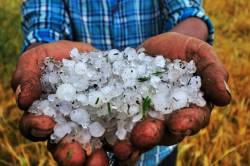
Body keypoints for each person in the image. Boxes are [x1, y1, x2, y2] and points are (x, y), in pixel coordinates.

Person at [12, 0, 231, 165]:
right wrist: (43, 59)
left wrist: (182, 43)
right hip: (84, 150)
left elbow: (187, 11)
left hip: (159, 148)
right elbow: (45, 21)